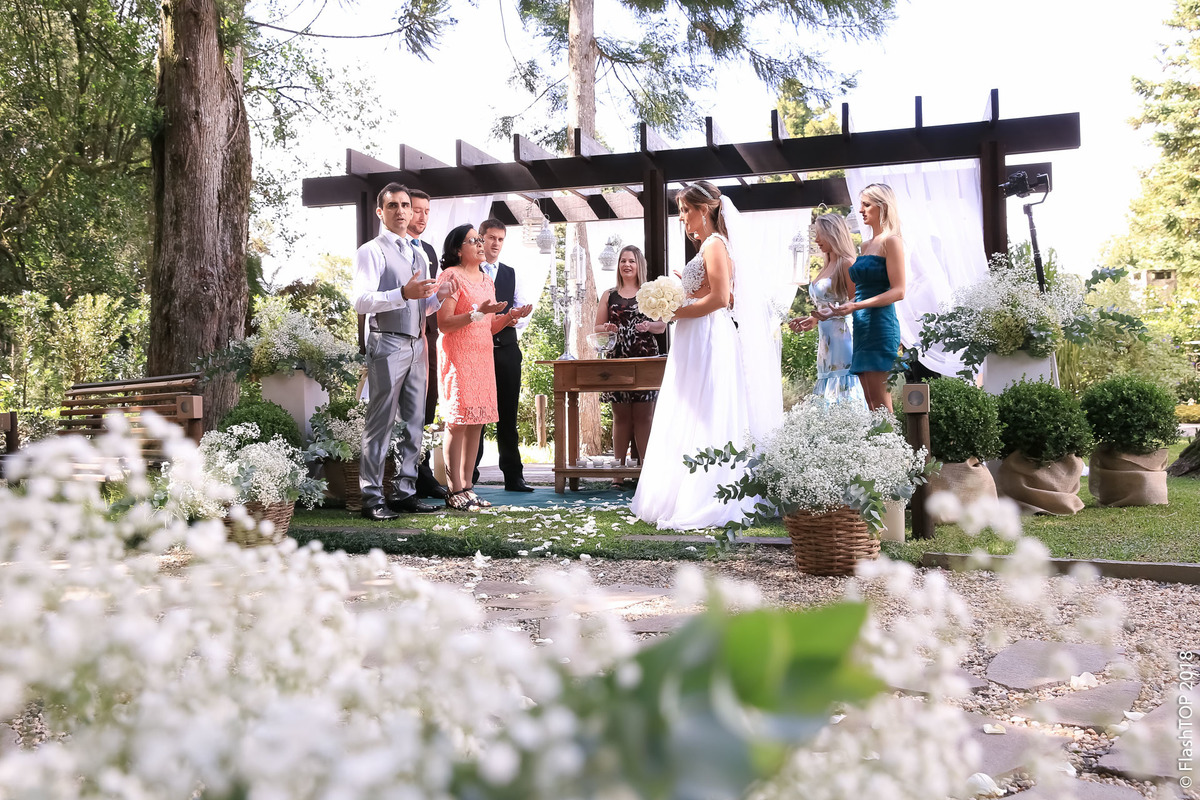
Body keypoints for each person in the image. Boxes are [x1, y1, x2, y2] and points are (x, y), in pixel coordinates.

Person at [630, 181, 781, 530]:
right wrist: (681, 290)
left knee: (705, 407)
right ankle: (682, 490)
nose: (682, 218)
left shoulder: (714, 244)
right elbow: (706, 290)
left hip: (707, 334)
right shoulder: (710, 247)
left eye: (686, 210)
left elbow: (720, 298)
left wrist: (676, 312)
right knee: (691, 406)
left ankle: (708, 494)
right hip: (697, 334)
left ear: (705, 210)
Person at [352, 182, 457, 521]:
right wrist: (402, 292)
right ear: (380, 212)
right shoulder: (372, 251)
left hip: (417, 344)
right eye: (393, 205)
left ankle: (405, 491)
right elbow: (361, 300)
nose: (400, 211)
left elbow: (422, 307)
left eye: (405, 205)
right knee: (380, 423)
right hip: (387, 342)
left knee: (414, 422)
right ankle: (371, 497)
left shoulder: (419, 253)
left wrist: (439, 296)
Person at [437, 224, 519, 510]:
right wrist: (477, 313)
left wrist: (508, 318)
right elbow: (444, 323)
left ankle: (469, 488)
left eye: (480, 240)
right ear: (459, 249)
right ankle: (453, 490)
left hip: (483, 355)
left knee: (477, 422)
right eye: (474, 240)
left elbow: (488, 326)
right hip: (459, 355)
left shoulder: (487, 280)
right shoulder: (451, 276)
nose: (481, 244)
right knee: (458, 422)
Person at [593, 245, 665, 484]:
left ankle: (646, 472)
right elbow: (597, 327)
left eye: (631, 261)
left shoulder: (650, 293)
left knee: (644, 416)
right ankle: (618, 474)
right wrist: (607, 328)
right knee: (620, 415)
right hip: (617, 358)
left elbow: (661, 326)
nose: (627, 265)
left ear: (639, 265)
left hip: (644, 357)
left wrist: (648, 326)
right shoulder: (609, 294)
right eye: (623, 261)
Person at [832, 183, 906, 411]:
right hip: (862, 327)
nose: (861, 210)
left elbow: (899, 291)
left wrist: (856, 306)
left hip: (881, 326)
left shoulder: (891, 241)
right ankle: (877, 446)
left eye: (866, 204)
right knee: (871, 404)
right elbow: (860, 290)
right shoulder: (865, 245)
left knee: (882, 404)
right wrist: (830, 311)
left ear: (883, 207)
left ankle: (892, 447)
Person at [472, 219, 534, 492]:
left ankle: (513, 476)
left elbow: (520, 314)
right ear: (480, 239)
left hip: (508, 351)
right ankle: (468, 475)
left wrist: (515, 317)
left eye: (500, 239)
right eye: (491, 238)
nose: (495, 243)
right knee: (476, 415)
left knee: (508, 415)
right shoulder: (469, 272)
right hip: (476, 351)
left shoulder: (511, 273)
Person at [788, 213, 867, 408]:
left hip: (844, 339)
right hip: (826, 342)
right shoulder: (826, 265)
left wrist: (831, 313)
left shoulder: (846, 262)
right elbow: (827, 304)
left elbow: (856, 300)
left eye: (820, 234)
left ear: (834, 233)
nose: (816, 240)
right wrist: (814, 319)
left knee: (843, 385)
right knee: (827, 385)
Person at [407, 189, 448, 500]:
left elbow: (430, 298)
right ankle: (405, 474)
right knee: (406, 408)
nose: (420, 217)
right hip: (399, 336)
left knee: (429, 402)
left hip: (429, 334)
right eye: (415, 210)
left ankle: (423, 472)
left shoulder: (430, 250)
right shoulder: (387, 249)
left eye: (426, 211)